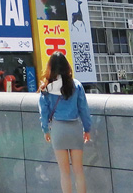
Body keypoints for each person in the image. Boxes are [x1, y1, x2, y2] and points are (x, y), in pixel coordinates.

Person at [38, 52, 92, 193]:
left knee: (64, 173)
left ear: (50, 68)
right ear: (67, 66)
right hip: (75, 128)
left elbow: (43, 113)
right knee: (78, 171)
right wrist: (87, 128)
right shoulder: (76, 85)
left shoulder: (46, 88)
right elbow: (84, 109)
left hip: (58, 129)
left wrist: (45, 130)